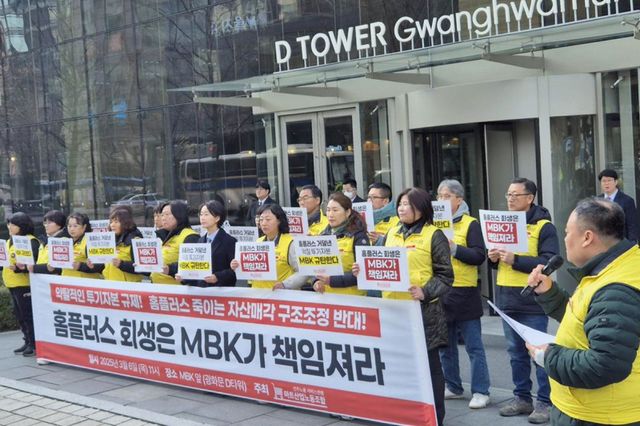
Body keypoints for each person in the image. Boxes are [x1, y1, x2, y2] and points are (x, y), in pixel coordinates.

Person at [525, 198, 640, 426]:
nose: (565, 239)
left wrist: (546, 356)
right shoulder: (616, 267)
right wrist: (549, 293)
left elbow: (606, 364)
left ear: (587, 237)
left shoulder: (615, 288)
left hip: (599, 416)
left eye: (568, 232)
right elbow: (588, 320)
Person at [355, 187, 453, 426]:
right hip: (394, 312)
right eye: (400, 204)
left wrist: (425, 292)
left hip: (424, 313)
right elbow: (378, 264)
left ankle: (435, 418)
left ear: (421, 208)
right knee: (399, 367)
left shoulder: (434, 235)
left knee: (430, 368)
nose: (401, 208)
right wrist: (362, 270)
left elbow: (445, 276)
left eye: (407, 204)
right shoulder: (391, 233)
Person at [488, 178, 559, 424]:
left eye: (515, 195)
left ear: (530, 198)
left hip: (532, 300)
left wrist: (515, 260)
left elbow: (549, 261)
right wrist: (493, 257)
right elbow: (498, 263)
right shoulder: (502, 223)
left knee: (539, 353)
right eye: (508, 194)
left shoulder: (544, 226)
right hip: (507, 297)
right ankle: (521, 398)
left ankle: (545, 402)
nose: (510, 198)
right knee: (515, 353)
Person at [436, 180, 491, 409]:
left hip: (465, 291)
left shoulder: (471, 224)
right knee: (445, 346)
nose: (442, 200)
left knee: (473, 346)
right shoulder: (433, 224)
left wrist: (454, 248)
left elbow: (479, 256)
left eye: (447, 196)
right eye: (439, 195)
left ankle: (481, 390)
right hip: (441, 290)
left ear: (459, 199)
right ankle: (453, 386)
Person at [231, 203, 306, 290]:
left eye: (268, 219)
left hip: (282, 295)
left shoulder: (291, 243)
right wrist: (238, 266)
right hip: (259, 294)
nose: (263, 223)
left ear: (279, 220)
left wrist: (285, 285)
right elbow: (252, 274)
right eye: (261, 220)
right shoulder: (258, 242)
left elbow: (303, 271)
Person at [312, 192, 369, 296]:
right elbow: (314, 266)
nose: (330, 214)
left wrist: (332, 280)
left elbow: (364, 273)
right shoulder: (322, 235)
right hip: (327, 298)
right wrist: (316, 281)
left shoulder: (358, 237)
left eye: (335, 210)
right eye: (328, 210)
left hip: (352, 298)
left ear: (347, 212)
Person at [1, 213, 40, 357]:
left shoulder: (30, 241)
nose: (9, 227)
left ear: (22, 226)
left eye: (13, 224)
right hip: (12, 284)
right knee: (20, 315)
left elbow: (34, 263)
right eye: (9, 224)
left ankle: (34, 343)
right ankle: (27, 340)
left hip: (24, 284)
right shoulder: (9, 241)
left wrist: (19, 268)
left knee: (27, 315)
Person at [177, 200, 237, 287]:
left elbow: (235, 271)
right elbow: (197, 270)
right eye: (201, 214)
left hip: (221, 291)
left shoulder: (229, 241)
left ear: (217, 218)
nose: (202, 218)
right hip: (202, 291)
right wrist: (184, 277)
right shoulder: (200, 241)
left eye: (206, 214)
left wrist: (217, 277)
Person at [150, 201, 199, 284]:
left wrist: (170, 269)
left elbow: (193, 266)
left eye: (167, 214)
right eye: (162, 215)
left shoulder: (190, 237)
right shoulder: (168, 236)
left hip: (178, 290)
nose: (163, 218)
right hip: (160, 289)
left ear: (179, 215)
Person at [102, 206, 144, 282]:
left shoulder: (135, 241)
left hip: (129, 287)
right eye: (111, 222)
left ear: (125, 223)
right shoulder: (110, 242)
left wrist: (122, 264)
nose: (112, 225)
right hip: (110, 285)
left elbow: (144, 268)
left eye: (116, 222)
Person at [597, 169, 638, 242]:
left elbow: (632, 225)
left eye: (609, 180)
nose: (606, 183)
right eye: (604, 181)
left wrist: (632, 244)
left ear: (616, 182)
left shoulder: (627, 201)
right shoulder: (597, 200)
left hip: (621, 242)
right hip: (602, 243)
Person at [62, 213, 104, 279]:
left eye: (75, 226)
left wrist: (80, 266)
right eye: (69, 226)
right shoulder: (65, 241)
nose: (72, 229)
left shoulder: (89, 242)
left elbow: (100, 266)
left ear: (84, 227)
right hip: (67, 282)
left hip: (86, 283)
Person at [29, 210, 69, 275]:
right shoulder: (45, 240)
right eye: (45, 223)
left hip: (55, 279)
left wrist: (35, 268)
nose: (46, 225)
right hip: (41, 279)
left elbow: (60, 266)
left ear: (59, 224)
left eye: (49, 223)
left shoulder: (63, 241)